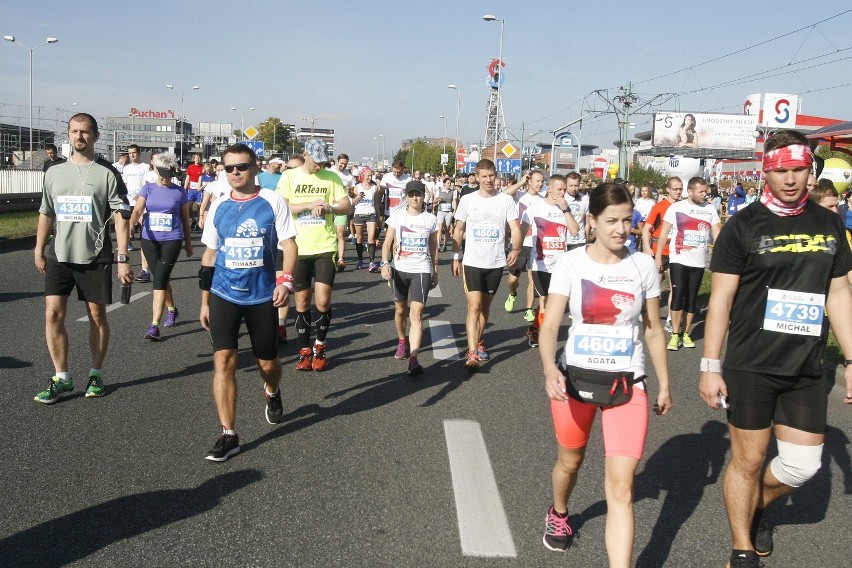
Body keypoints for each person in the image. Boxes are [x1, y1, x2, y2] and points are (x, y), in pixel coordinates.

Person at [699, 130, 852, 568]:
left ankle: (756, 505)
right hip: (751, 364)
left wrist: (851, 358)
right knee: (746, 462)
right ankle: (741, 548)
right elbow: (722, 300)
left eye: (798, 169)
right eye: (781, 170)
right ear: (766, 171)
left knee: (802, 467)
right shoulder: (743, 224)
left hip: (806, 366)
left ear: (811, 170)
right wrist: (710, 365)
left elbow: (839, 293)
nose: (790, 179)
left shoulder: (828, 225)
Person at [538, 182, 671, 564]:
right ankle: (559, 512)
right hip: (574, 381)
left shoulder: (643, 265)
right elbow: (550, 325)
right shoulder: (572, 263)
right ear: (591, 221)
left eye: (627, 220)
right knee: (570, 462)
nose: (620, 228)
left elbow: (653, 330)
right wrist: (550, 369)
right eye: (611, 220)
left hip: (628, 384)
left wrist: (664, 384)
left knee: (622, 487)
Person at [199, 143, 298, 462]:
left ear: (255, 168)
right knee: (223, 361)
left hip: (262, 295)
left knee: (267, 363)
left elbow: (288, 244)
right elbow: (210, 255)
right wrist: (204, 301)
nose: (235, 172)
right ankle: (229, 434)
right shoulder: (219, 206)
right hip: (224, 294)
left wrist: (285, 280)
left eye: (241, 166)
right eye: (229, 168)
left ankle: (272, 390)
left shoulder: (272, 201)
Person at [33, 112, 132, 403]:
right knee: (53, 314)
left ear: (95, 136)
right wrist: (39, 249)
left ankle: (96, 374)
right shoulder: (53, 172)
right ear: (69, 135)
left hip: (95, 256)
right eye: (74, 131)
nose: (79, 136)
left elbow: (121, 215)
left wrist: (123, 256)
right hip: (59, 255)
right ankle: (61, 378)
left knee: (97, 315)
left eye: (85, 132)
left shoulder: (107, 173)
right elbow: (46, 212)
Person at [276, 140, 352, 371]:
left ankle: (319, 345)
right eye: (316, 161)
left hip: (324, 246)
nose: (319, 166)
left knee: (322, 300)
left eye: (322, 162)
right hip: (297, 247)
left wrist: (329, 208)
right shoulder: (289, 177)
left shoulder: (332, 178)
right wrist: (309, 204)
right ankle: (304, 351)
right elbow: (282, 206)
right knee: (301, 302)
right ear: (306, 154)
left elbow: (347, 206)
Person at [451, 159, 522, 369]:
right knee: (473, 306)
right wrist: (456, 257)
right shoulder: (467, 200)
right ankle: (472, 352)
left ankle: (479, 341)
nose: (488, 180)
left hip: (496, 262)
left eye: (491, 175)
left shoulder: (505, 201)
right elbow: (459, 229)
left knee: (485, 308)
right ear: (477, 177)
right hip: (472, 261)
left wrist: (516, 249)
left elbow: (515, 229)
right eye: (484, 176)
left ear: (495, 175)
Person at [129, 152, 193, 340]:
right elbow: (138, 209)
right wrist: (132, 225)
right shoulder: (147, 189)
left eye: (169, 174)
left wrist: (188, 243)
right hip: (150, 239)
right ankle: (172, 309)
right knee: (160, 278)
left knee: (160, 279)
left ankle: (154, 325)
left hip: (172, 239)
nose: (165, 178)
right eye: (162, 174)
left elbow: (185, 219)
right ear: (156, 170)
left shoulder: (180, 192)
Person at [380, 180, 439, 375]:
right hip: (400, 269)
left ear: (424, 196)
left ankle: (414, 358)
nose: (415, 198)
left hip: (420, 270)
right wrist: (384, 263)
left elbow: (433, 246)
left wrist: (435, 270)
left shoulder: (430, 219)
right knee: (400, 310)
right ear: (406, 196)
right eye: (412, 194)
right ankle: (402, 341)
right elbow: (387, 242)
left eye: (419, 194)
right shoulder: (397, 217)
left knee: (417, 315)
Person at [656, 177, 720, 350]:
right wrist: (657, 257)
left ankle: (686, 333)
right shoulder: (676, 208)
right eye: (701, 191)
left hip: (698, 262)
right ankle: (675, 334)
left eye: (706, 191)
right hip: (678, 258)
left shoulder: (710, 209)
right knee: (678, 295)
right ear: (690, 192)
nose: (705, 194)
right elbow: (664, 233)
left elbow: (717, 234)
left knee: (691, 299)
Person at [519, 174, 579, 347]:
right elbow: (521, 231)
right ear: (549, 189)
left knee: (553, 304)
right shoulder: (535, 208)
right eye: (559, 189)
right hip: (540, 263)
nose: (562, 193)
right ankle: (547, 341)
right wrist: (516, 251)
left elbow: (574, 231)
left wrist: (566, 210)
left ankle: (534, 329)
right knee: (544, 301)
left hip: (560, 265)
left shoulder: (565, 208)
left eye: (564, 190)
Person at [642, 176, 683, 332]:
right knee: (654, 285)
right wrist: (647, 247)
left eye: (680, 189)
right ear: (668, 189)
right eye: (675, 189)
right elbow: (647, 228)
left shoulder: (684, 206)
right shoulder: (659, 206)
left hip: (676, 251)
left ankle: (670, 319)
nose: (678, 192)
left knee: (675, 287)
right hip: (659, 249)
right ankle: (647, 312)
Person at [505, 170, 544, 320]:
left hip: (535, 243)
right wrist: (521, 182)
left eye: (542, 181)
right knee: (513, 279)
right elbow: (505, 194)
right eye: (537, 181)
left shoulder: (543, 200)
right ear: (530, 181)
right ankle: (512, 294)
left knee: (532, 279)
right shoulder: (519, 196)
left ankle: (529, 309)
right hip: (518, 243)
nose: (540, 184)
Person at [275, 155, 305, 341]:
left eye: (297, 168)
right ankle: (280, 325)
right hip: (284, 244)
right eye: (289, 168)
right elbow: (282, 205)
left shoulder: (313, 184)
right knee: (282, 285)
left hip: (308, 246)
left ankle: (305, 329)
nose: (292, 172)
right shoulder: (283, 185)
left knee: (303, 296)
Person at [351, 166, 379, 271]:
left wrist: (378, 216)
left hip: (371, 214)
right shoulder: (357, 187)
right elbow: (352, 203)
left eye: (371, 175)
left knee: (371, 239)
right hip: (359, 214)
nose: (369, 177)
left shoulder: (374, 187)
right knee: (359, 238)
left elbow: (376, 203)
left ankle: (372, 262)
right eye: (368, 175)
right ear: (362, 176)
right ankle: (360, 260)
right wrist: (358, 197)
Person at [330, 153, 355, 271]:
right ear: (337, 162)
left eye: (345, 164)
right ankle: (330, 258)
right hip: (328, 207)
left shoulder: (349, 176)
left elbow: (352, 193)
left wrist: (350, 192)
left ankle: (340, 259)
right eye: (341, 163)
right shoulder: (329, 172)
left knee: (340, 233)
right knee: (331, 234)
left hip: (341, 207)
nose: (343, 166)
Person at [563, 172, 590, 251]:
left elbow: (587, 222)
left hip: (580, 240)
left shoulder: (585, 199)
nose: (574, 189)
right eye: (571, 185)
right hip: (564, 240)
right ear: (566, 185)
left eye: (576, 185)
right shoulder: (561, 198)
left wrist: (586, 239)